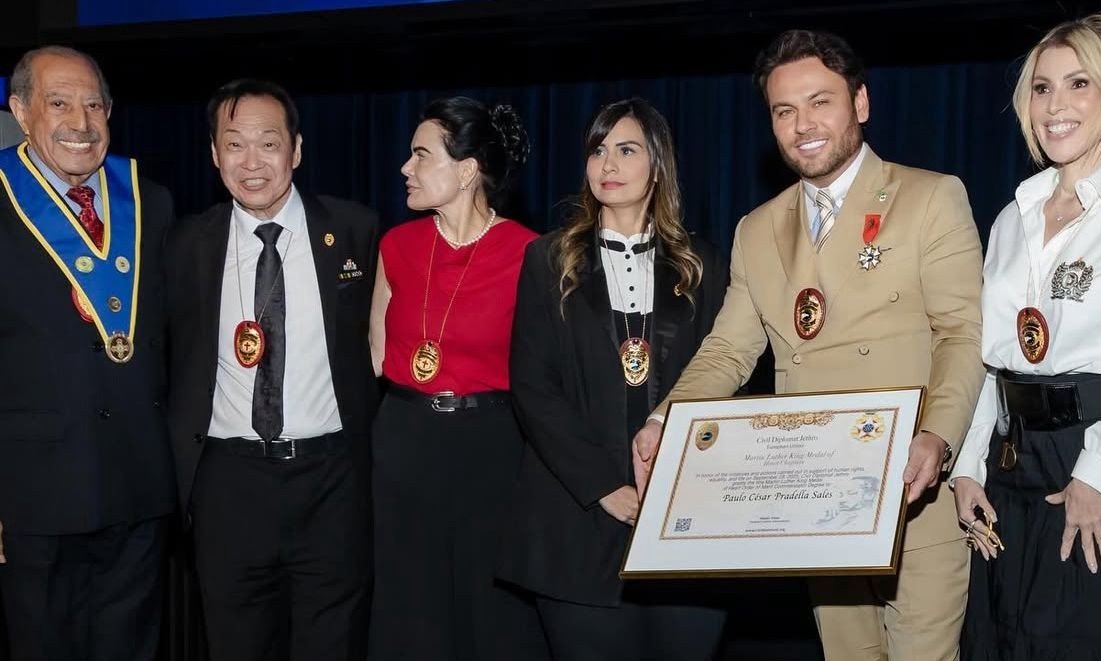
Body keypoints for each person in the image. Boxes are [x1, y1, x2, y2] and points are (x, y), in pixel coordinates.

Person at [632, 30, 985, 660]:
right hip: (816, 502)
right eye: (784, 111)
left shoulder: (930, 196)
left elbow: (961, 332)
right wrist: (667, 419)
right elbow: (727, 351)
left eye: (820, 102)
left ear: (861, 103)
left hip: (912, 489)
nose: (803, 126)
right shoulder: (757, 228)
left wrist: (939, 435)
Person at [949, 15, 1101, 660]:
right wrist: (967, 469)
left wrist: (1097, 476)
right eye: (1042, 88)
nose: (1056, 107)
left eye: (1079, 84)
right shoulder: (1011, 216)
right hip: (1008, 468)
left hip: (1096, 467)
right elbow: (989, 360)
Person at [501, 97, 729, 661]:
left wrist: (672, 484)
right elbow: (533, 387)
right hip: (578, 521)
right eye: (598, 150)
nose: (608, 164)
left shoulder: (703, 262)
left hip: (683, 516)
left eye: (626, 150)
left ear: (658, 164)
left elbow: (725, 377)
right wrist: (604, 486)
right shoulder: (549, 259)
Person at [164, 79, 378, 661]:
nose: (252, 162)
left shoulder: (356, 232)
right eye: (235, 144)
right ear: (213, 154)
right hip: (228, 485)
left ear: (297, 150)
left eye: (268, 143)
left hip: (331, 481)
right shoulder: (184, 245)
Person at [0, 45, 176, 660]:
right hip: (33, 494)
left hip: (140, 487)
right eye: (58, 103)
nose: (81, 122)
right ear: (20, 112)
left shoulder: (152, 201)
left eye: (94, 104)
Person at [366, 97, 547, 660]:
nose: (405, 167)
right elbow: (377, 352)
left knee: (488, 610)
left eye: (421, 154)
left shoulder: (528, 253)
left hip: (490, 448)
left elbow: (544, 370)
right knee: (409, 609)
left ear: (467, 170)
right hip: (404, 440)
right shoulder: (395, 244)